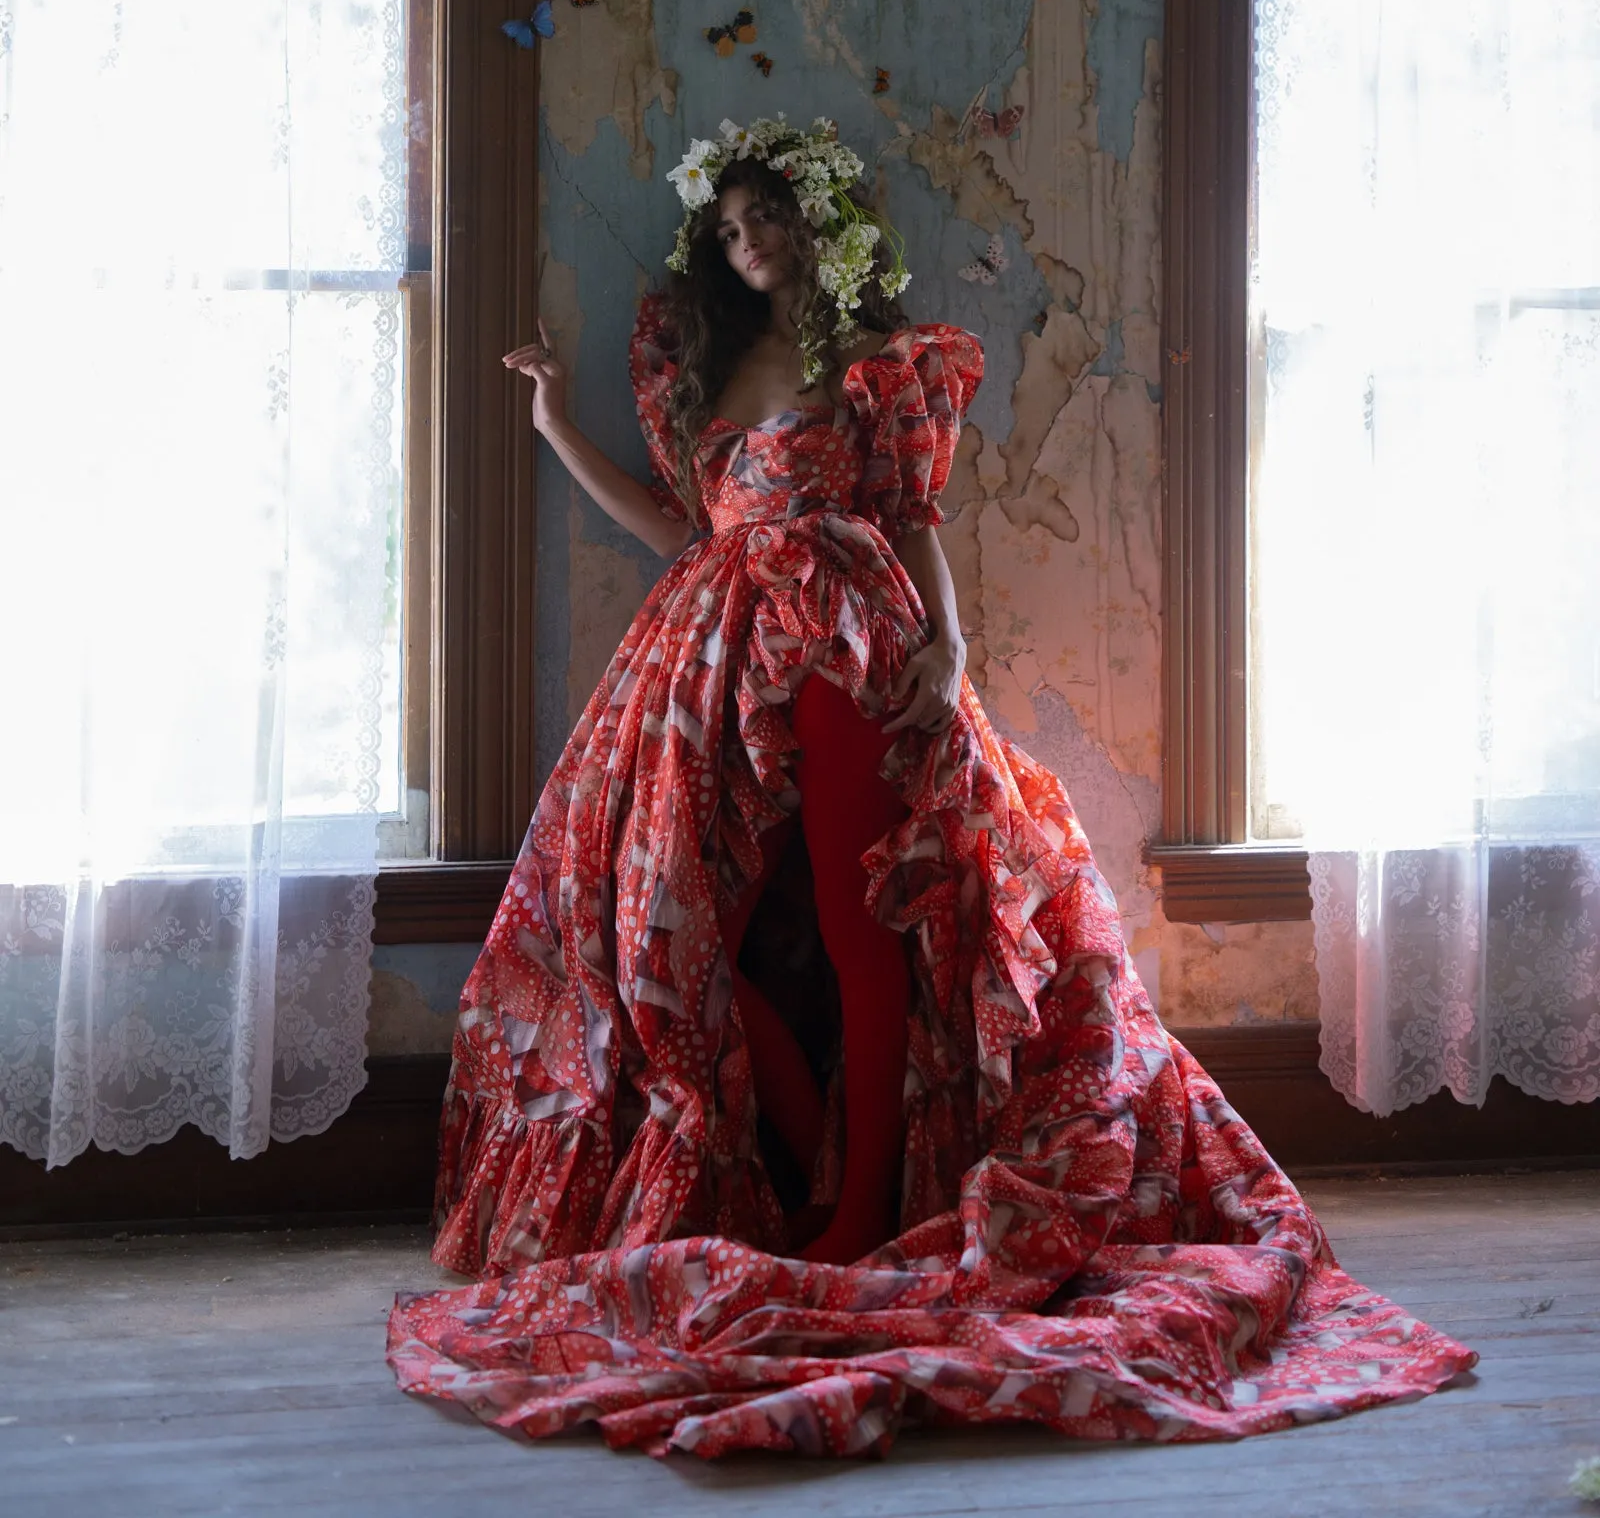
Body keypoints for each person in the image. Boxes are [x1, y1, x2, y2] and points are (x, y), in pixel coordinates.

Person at [388, 115, 1472, 1459]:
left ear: (815, 223)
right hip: (705, 659)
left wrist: (946, 648)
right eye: (730, 230)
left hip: (848, 635)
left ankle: (857, 1211)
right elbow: (681, 530)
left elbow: (913, 526)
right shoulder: (703, 364)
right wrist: (553, 423)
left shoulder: (870, 365)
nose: (753, 243)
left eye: (769, 217)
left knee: (860, 916)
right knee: (660, 939)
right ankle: (808, 1158)